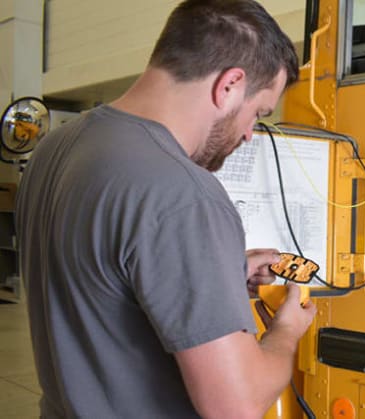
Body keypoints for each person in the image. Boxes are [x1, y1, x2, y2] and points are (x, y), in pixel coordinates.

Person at [15, 0, 316, 417]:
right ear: (229, 84)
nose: (249, 134)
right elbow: (237, 405)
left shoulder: (55, 148)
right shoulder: (185, 193)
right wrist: (285, 331)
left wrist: (218, 270)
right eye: (258, 113)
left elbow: (104, 285)